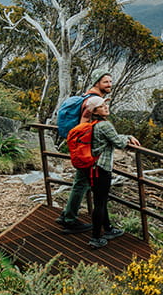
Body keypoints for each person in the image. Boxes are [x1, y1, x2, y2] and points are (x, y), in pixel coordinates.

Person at [79, 95, 141, 248]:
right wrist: (128, 138)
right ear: (95, 111)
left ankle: (108, 229)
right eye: (102, 106)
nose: (106, 107)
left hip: (91, 167)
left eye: (105, 105)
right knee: (100, 202)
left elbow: (110, 139)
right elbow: (119, 143)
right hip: (101, 168)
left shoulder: (91, 124)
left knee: (100, 200)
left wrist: (125, 136)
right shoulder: (105, 125)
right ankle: (95, 238)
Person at [57, 69, 114, 233]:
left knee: (80, 183)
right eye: (105, 82)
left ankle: (67, 214)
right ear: (97, 83)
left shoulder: (88, 96)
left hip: (81, 148)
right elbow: (84, 125)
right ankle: (69, 220)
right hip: (86, 150)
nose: (109, 84)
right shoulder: (95, 100)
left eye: (110, 81)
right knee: (81, 184)